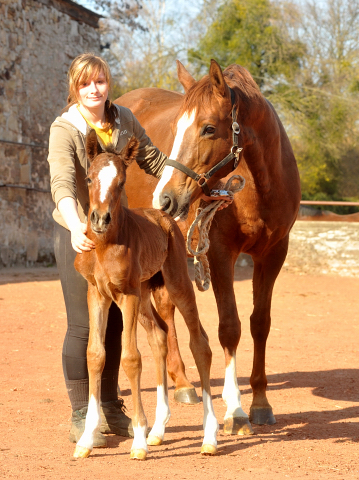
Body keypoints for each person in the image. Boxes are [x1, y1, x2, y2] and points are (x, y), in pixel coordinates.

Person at [47, 52, 232, 448]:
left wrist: (195, 182)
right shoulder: (66, 129)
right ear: (75, 89)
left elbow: (153, 158)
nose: (93, 90)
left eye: (99, 81)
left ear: (107, 83)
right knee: (83, 325)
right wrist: (77, 223)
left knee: (117, 323)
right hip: (78, 230)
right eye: (84, 84)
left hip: (118, 233)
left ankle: (112, 406)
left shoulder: (124, 120)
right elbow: (62, 181)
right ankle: (83, 411)